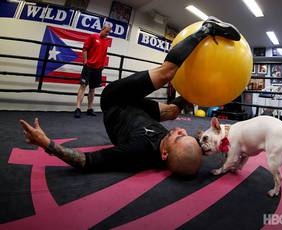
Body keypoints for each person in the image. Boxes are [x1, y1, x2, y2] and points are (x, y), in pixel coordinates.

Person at [20, 17, 241, 177]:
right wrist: (224, 136)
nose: (180, 130)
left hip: (115, 101)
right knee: (174, 111)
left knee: (166, 74)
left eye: (177, 136)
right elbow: (197, 145)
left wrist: (46, 144)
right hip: (142, 113)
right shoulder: (180, 150)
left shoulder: (135, 153)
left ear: (164, 154)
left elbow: (86, 161)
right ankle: (194, 86)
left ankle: (206, 29)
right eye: (185, 134)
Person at [74, 25, 112, 118]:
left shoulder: (106, 41)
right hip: (89, 66)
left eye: (108, 32)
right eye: (106, 32)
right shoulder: (93, 37)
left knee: (92, 89)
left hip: (98, 69)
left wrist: (102, 65)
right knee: (83, 86)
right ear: (102, 29)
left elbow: (104, 54)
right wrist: (85, 62)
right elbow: (85, 49)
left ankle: (89, 109)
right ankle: (78, 108)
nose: (107, 34)